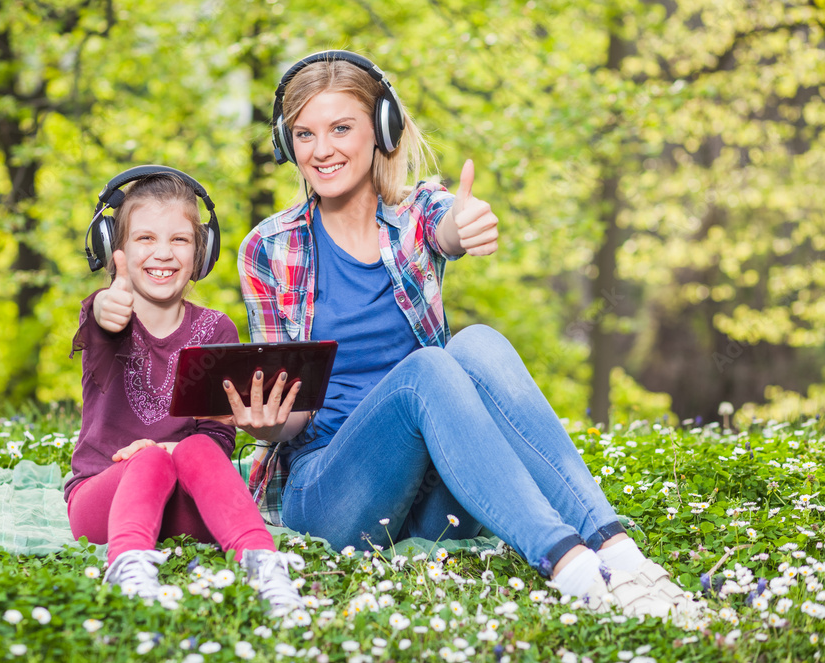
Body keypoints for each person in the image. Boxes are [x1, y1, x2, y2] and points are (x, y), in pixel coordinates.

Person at [231, 51, 696, 620]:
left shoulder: (417, 211)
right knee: (428, 369)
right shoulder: (269, 247)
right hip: (331, 495)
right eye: (304, 133)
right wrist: (267, 420)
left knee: (476, 344)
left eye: (341, 128)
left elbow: (446, 224)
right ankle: (572, 568)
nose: (321, 149)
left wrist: (463, 227)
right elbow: (291, 415)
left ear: (382, 130)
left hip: (440, 488)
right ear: (287, 143)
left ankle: (620, 554)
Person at [65, 167, 303, 615]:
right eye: (145, 239)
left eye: (179, 240)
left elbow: (216, 439)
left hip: (184, 508)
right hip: (103, 501)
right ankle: (129, 566)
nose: (163, 253)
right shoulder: (106, 317)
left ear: (201, 253)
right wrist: (102, 307)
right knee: (150, 457)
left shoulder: (216, 329)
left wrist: (172, 450)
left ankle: (263, 564)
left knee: (190, 447)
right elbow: (101, 318)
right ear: (114, 250)